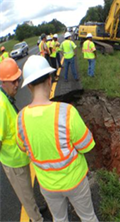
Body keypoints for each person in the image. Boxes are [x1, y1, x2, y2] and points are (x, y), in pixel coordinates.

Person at [16, 55, 98, 222]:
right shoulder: (66, 112)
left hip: (47, 186)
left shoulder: (21, 118)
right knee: (88, 217)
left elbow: (23, 147)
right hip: (75, 181)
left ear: (29, 86)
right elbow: (87, 145)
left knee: (59, 219)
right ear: (49, 79)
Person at [0, 58, 44, 222]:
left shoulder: (5, 97)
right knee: (24, 193)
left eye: (18, 79)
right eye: (13, 81)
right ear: (3, 82)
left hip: (20, 157)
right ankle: (36, 218)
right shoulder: (1, 105)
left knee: (27, 188)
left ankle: (34, 209)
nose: (17, 84)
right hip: (13, 161)